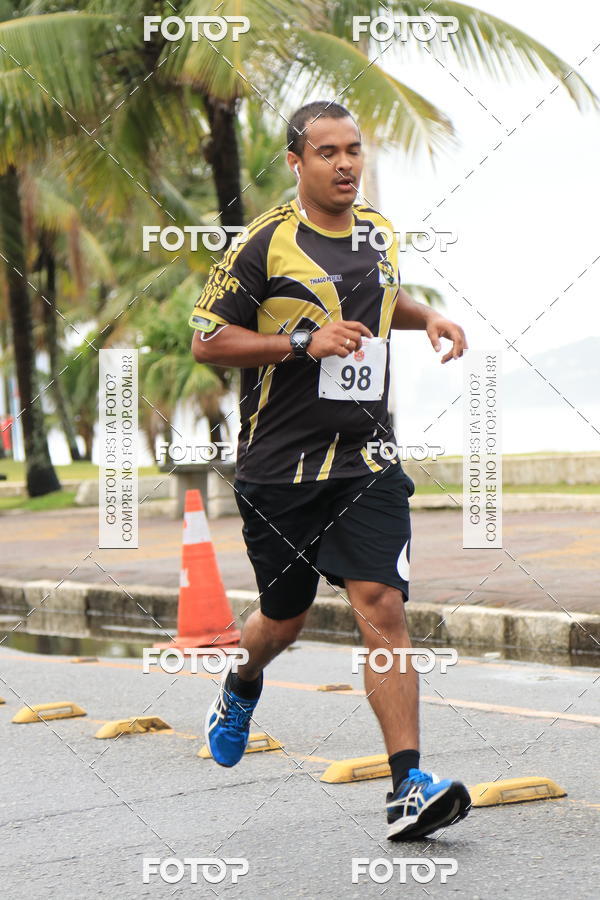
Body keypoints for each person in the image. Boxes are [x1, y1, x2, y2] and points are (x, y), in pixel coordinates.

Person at [189, 100, 470, 840]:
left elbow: (379, 301)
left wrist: (428, 318)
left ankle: (407, 787)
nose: (346, 164)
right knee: (284, 620)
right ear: (295, 162)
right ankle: (242, 681)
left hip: (366, 461)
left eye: (354, 150)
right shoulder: (263, 242)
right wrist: (301, 343)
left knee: (383, 606)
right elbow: (208, 341)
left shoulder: (379, 232)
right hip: (279, 469)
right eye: (327, 152)